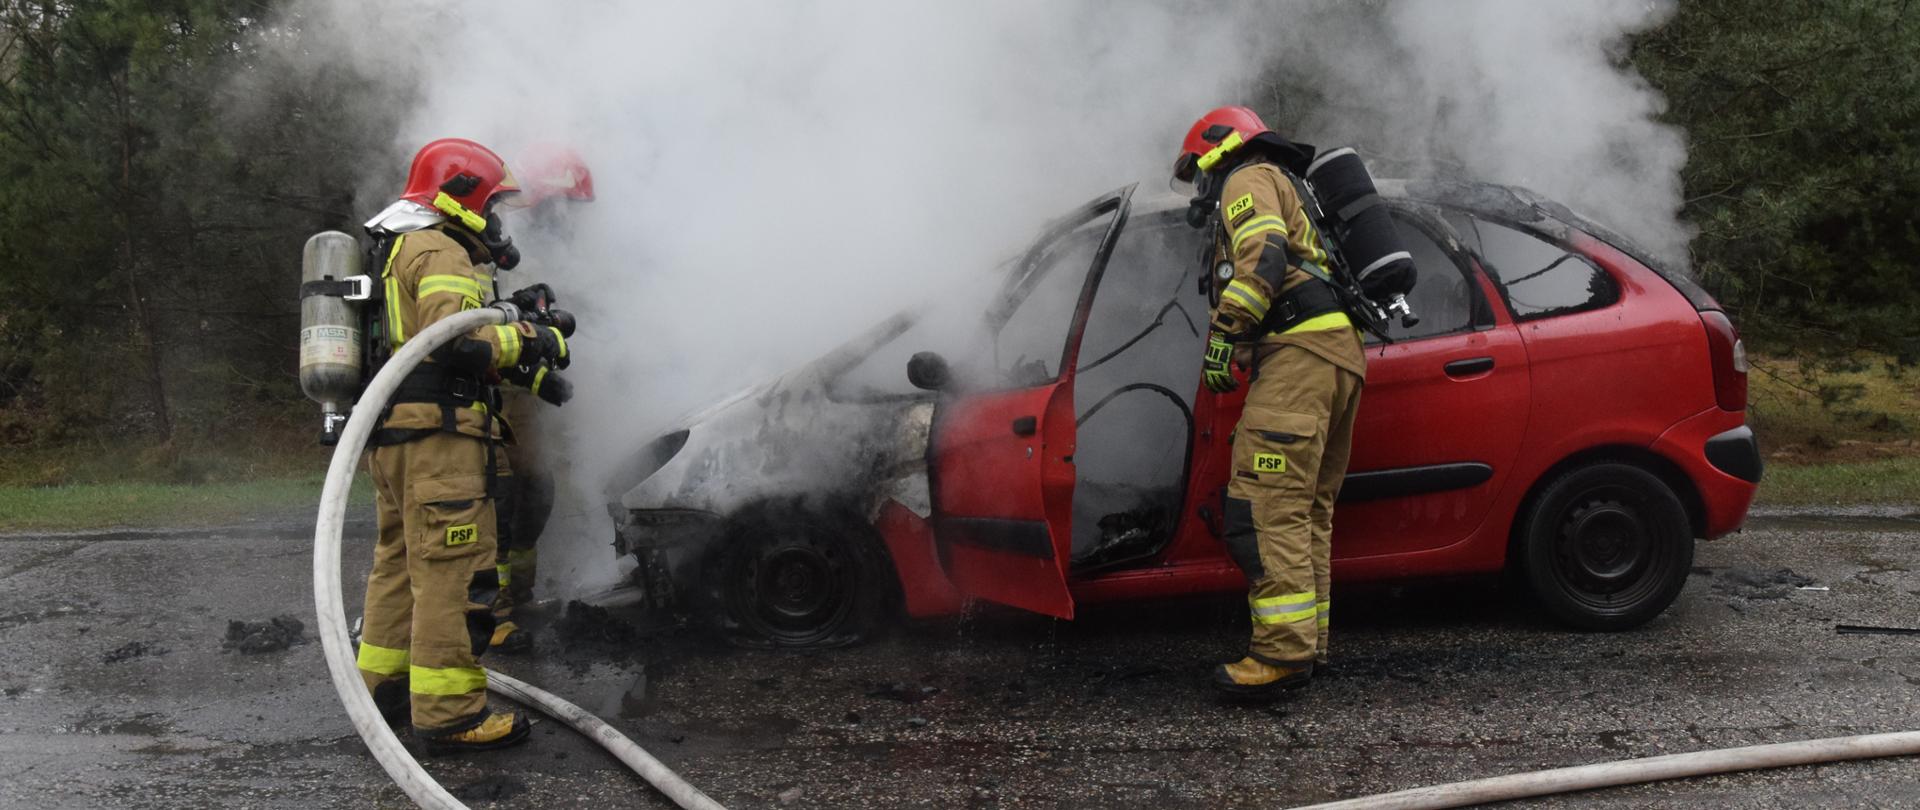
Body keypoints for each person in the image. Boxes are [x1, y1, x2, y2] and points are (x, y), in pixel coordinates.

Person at [354, 138, 572, 752]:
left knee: (398, 565)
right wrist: (533, 339)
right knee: (450, 573)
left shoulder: (398, 245)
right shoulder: (440, 247)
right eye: (493, 204)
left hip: (396, 436)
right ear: (464, 198)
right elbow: (455, 340)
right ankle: (449, 714)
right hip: (438, 441)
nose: (496, 219)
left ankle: (384, 691)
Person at [1172, 106, 1367, 698]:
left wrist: (1225, 334)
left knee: (1264, 507)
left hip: (1300, 357)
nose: (1200, 186)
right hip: (1336, 355)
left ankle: (1281, 655)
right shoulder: (1290, 184)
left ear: (1216, 151)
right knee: (1306, 512)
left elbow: (1263, 257)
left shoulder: (1247, 178)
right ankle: (1308, 645)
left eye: (1197, 171)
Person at [483, 144, 595, 653]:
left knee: (536, 494)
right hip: (488, 395)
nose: (568, 220)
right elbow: (481, 333)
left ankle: (519, 598)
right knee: (499, 502)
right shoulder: (494, 245)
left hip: (520, 394)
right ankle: (491, 611)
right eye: (562, 207)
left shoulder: (551, 249)